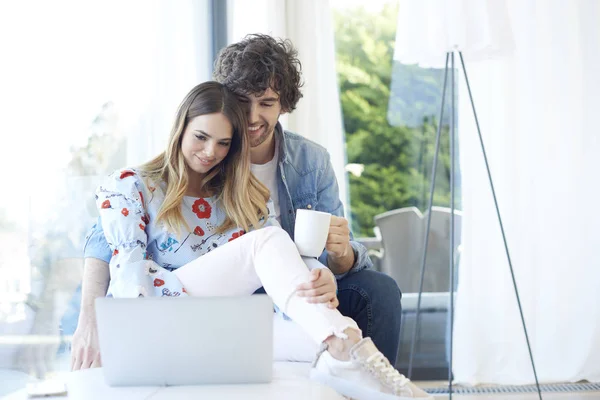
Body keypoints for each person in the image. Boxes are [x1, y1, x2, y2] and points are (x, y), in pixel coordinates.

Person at [82, 81, 431, 399]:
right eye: (201, 137)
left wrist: (314, 276)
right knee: (267, 240)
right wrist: (107, 330)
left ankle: (373, 373)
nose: (210, 152)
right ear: (181, 129)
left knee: (337, 332)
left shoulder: (240, 194)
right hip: (156, 319)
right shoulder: (131, 185)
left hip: (218, 330)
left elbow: (282, 263)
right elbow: (127, 271)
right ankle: (352, 355)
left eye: (223, 143)